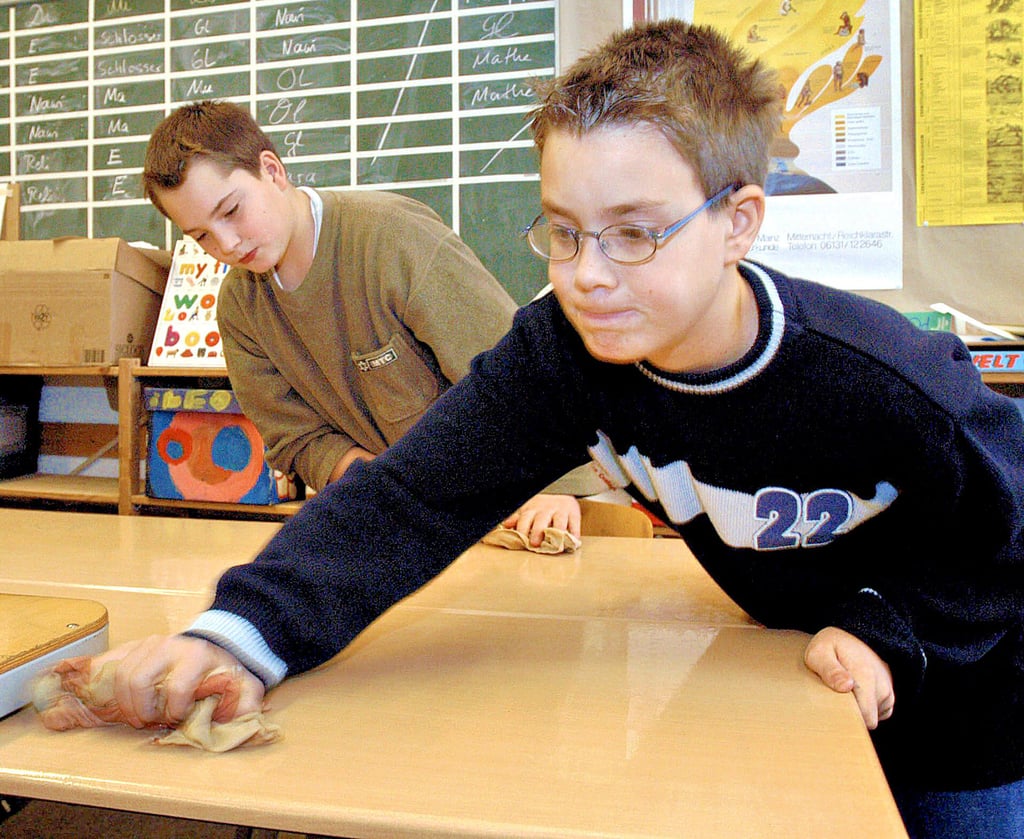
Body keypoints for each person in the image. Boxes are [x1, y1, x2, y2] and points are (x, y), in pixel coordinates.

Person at [105, 21, 1023, 838]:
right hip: (790, 674)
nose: (587, 275)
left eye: (634, 233)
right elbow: (411, 495)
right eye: (565, 232)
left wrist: (885, 625)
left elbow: (1005, 541)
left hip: (968, 692)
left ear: (739, 221)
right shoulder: (568, 351)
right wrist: (235, 634)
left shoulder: (883, 377)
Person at [141, 100, 601, 544]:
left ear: (272, 170)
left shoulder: (395, 240)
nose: (225, 243)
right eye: (201, 235)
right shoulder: (240, 308)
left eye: (231, 211)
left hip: (520, 507)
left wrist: (559, 488)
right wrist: (386, 493)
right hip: (410, 527)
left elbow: (527, 377)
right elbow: (297, 439)